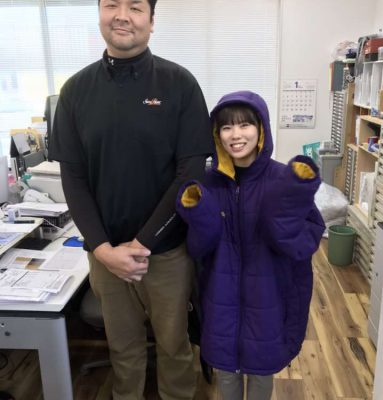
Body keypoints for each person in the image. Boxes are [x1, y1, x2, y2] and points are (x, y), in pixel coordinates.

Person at [48, 0, 213, 399]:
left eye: (136, 7)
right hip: (105, 255)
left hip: (166, 252)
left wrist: (143, 243)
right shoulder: (75, 90)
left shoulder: (179, 84)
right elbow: (73, 178)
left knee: (174, 346)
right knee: (122, 349)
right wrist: (103, 249)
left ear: (151, 21)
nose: (122, 15)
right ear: (100, 15)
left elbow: (190, 176)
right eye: (111, 5)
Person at [176, 91, 325, 400]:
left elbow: (306, 239)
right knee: (226, 372)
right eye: (226, 127)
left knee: (261, 370)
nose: (236, 134)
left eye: (244, 125)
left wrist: (282, 222)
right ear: (217, 135)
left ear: (261, 129)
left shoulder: (282, 179)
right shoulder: (208, 183)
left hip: (270, 295)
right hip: (220, 296)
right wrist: (199, 214)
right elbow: (197, 248)